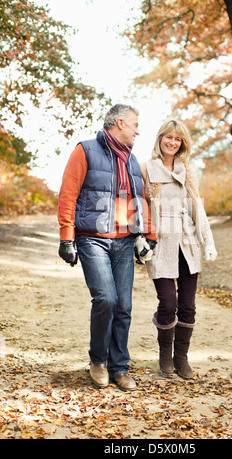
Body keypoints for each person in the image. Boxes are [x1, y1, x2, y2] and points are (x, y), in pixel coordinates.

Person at [57, 104, 156, 391]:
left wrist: (147, 234)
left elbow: (140, 199)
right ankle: (98, 361)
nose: (138, 130)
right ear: (121, 122)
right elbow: (68, 193)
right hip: (92, 239)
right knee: (106, 300)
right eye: (135, 124)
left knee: (124, 306)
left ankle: (119, 367)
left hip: (124, 241)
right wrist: (67, 237)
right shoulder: (85, 150)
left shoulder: (132, 159)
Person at [140, 119, 217, 379]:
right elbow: (136, 205)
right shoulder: (146, 169)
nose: (172, 142)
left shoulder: (187, 170)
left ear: (183, 143)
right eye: (168, 137)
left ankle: (181, 356)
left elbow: (197, 206)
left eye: (177, 139)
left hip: (188, 243)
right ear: (159, 139)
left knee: (187, 305)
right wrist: (140, 239)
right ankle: (165, 352)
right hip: (160, 243)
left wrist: (209, 242)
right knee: (167, 302)